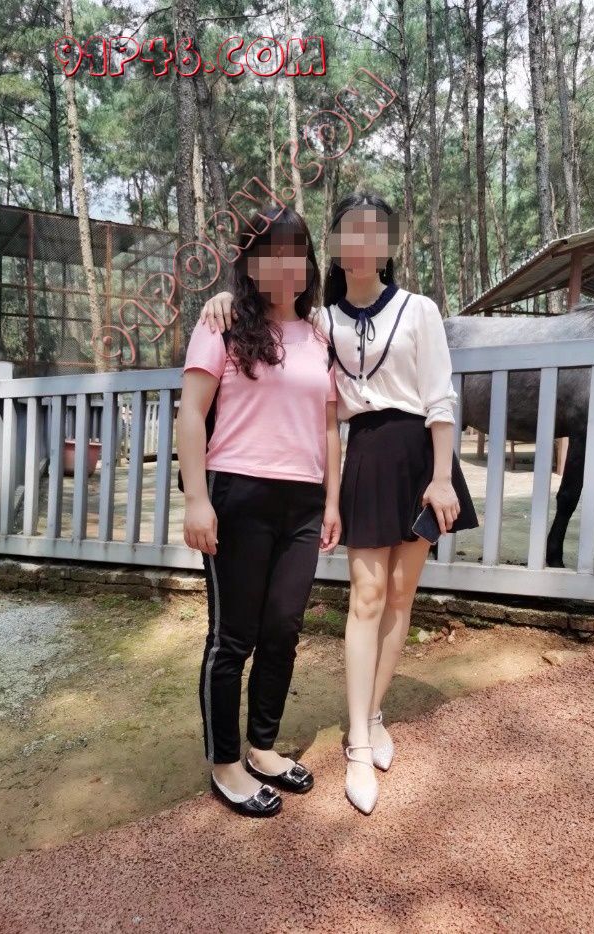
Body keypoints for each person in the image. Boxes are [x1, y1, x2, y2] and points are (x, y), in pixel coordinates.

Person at [199, 190, 478, 815]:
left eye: (374, 232)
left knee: (400, 597)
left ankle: (373, 714)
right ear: (333, 244)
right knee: (366, 597)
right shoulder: (322, 320)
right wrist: (221, 296)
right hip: (369, 456)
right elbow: (264, 313)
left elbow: (441, 400)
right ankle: (356, 742)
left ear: (390, 244)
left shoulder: (420, 310)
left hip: (421, 459)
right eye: (349, 231)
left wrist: (441, 479)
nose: (360, 243)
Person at [176, 205, 341, 818]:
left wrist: (331, 501)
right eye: (270, 253)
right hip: (238, 495)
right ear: (249, 264)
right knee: (232, 638)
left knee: (282, 630)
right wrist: (197, 499)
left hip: (303, 502)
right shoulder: (221, 325)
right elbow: (192, 413)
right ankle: (225, 763)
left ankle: (263, 748)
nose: (285, 266)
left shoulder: (319, 335)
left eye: (296, 253)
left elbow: (329, 426)